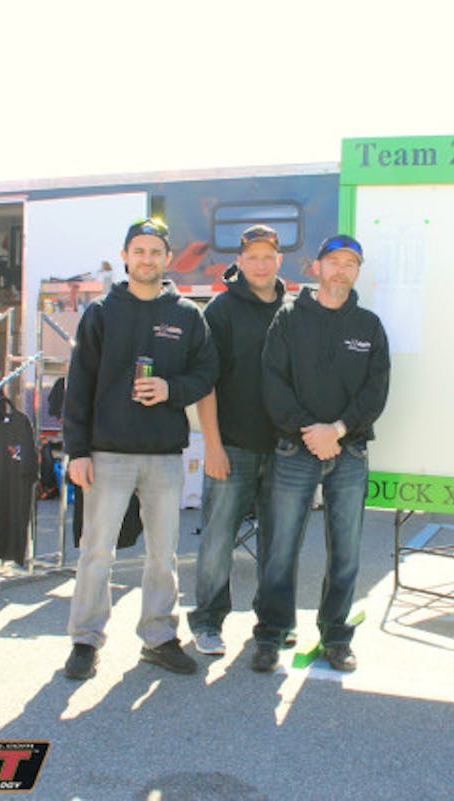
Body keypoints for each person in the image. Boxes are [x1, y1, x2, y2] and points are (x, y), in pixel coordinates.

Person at [62, 217, 218, 680]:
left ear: (167, 259)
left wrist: (171, 389)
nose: (147, 259)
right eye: (139, 251)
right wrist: (77, 451)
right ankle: (85, 640)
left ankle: (158, 637)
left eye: (156, 252)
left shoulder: (186, 315)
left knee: (162, 554)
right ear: (126, 256)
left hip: (164, 455)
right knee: (97, 553)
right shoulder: (102, 313)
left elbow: (206, 373)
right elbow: (79, 386)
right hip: (107, 453)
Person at [250, 234, 390, 673]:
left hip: (350, 453)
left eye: (351, 263)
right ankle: (271, 636)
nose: (342, 270)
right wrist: (310, 431)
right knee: (280, 549)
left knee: (345, 552)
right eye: (335, 261)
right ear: (317, 267)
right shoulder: (288, 319)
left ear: (357, 272)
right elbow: (273, 383)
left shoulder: (369, 326)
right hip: (295, 449)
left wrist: (340, 429)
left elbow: (376, 391)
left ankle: (336, 638)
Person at [187, 225, 288, 657]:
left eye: (268, 256)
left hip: (285, 451)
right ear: (240, 261)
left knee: (279, 543)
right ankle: (208, 621)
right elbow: (205, 384)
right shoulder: (221, 311)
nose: (261, 264)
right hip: (232, 447)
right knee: (217, 541)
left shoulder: (294, 309)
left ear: (279, 260)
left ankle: (272, 623)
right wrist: (212, 445)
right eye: (253, 257)